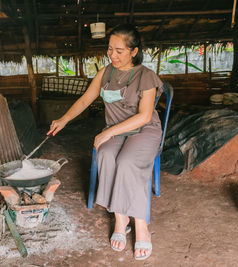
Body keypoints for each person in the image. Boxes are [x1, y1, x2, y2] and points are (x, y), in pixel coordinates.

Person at [47, 24, 163, 261]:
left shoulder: (146, 76)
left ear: (134, 51)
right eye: (110, 49)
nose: (113, 55)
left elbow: (143, 116)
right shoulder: (105, 73)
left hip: (144, 131)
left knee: (128, 161)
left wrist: (108, 133)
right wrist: (64, 120)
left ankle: (140, 224)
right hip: (116, 132)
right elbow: (84, 100)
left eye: (119, 51)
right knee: (106, 155)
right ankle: (121, 220)